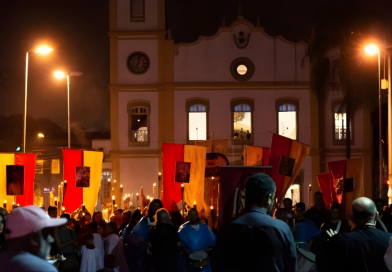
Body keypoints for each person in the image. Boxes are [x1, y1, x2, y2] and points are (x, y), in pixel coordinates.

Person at [215, 173, 296, 272]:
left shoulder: (227, 228)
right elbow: (291, 267)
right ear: (268, 199)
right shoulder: (282, 229)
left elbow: (218, 265)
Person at [323, 197, 392, 272]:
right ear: (376, 216)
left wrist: (334, 241)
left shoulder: (341, 240)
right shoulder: (389, 239)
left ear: (352, 218)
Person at [0, 205, 67, 272]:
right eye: (45, 234)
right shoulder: (44, 268)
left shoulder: (4, 260)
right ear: (34, 237)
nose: (51, 239)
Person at [126, 199, 163, 272]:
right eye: (154, 206)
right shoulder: (145, 220)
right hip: (145, 253)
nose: (156, 208)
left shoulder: (164, 220)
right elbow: (135, 234)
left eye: (158, 206)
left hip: (160, 253)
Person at [178, 208, 216, 272]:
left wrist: (209, 248)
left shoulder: (204, 227)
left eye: (194, 214)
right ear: (188, 215)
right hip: (189, 263)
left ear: (197, 215)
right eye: (191, 215)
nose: (193, 217)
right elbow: (179, 244)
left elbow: (213, 240)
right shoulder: (183, 229)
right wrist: (184, 249)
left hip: (204, 262)